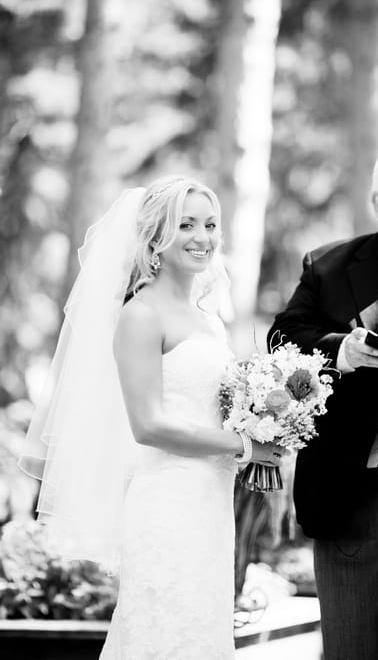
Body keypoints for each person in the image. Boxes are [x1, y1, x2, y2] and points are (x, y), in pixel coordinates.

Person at [19, 176, 284, 660]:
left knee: (201, 635)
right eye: (185, 225)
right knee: (163, 633)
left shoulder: (209, 318)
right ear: (155, 237)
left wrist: (265, 420)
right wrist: (246, 447)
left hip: (212, 502)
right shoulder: (140, 315)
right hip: (166, 504)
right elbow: (149, 426)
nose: (202, 237)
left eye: (210, 224)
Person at [268, 141, 378, 660]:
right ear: (376, 203)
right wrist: (339, 353)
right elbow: (282, 341)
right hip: (348, 498)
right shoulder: (327, 266)